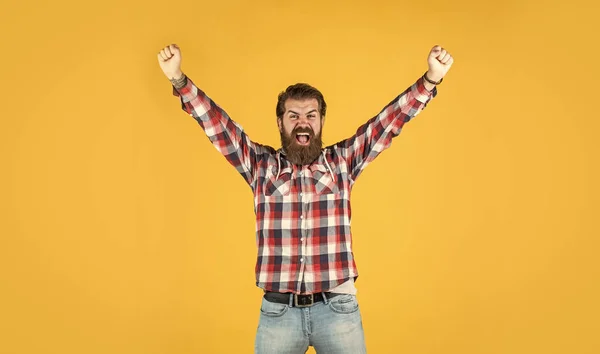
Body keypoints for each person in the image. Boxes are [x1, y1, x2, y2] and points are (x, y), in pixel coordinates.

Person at [157, 43, 453, 354]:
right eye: (294, 115)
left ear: (321, 121)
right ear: (281, 122)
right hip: (278, 312)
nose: (303, 122)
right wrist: (178, 80)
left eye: (311, 115)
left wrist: (430, 80)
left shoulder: (342, 162)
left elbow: (388, 123)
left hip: (338, 309)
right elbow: (218, 126)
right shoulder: (260, 165)